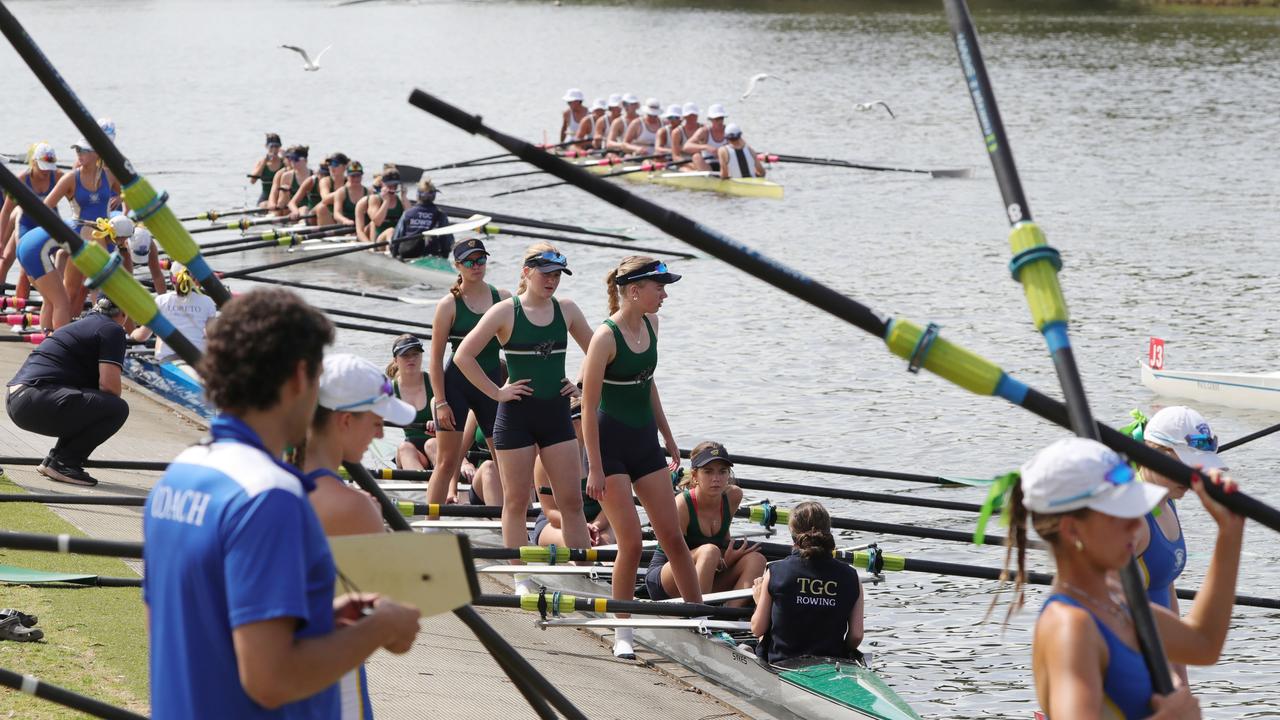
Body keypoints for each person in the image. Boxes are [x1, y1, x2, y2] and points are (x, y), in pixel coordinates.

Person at [142, 289, 421, 718]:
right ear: (297, 379)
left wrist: (323, 616)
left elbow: (188, 626)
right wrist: (380, 626)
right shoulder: (269, 497)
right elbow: (270, 681)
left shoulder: (182, 473)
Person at [998, 436, 1243, 719]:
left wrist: (1229, 532)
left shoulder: (1116, 605)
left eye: (1135, 510)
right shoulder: (1071, 626)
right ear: (1072, 530)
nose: (1136, 525)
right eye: (1119, 514)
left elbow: (1204, 645)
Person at [452, 242, 595, 589]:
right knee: (516, 501)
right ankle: (520, 575)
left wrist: (579, 385)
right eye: (546, 273)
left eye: (558, 274)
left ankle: (580, 576)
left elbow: (599, 352)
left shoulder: (568, 309)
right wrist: (497, 392)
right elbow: (462, 356)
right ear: (526, 272)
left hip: (556, 416)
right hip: (515, 417)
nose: (552, 281)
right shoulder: (505, 311)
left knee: (572, 501)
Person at [580, 255, 699, 658]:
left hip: (645, 442)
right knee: (630, 543)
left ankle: (698, 620)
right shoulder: (605, 338)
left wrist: (668, 436)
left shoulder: (652, 324)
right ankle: (623, 632)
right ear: (634, 290)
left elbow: (648, 385)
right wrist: (594, 468)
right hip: (609, 448)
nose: (664, 295)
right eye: (659, 287)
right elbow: (587, 408)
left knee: (672, 538)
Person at [302, 351, 417, 719]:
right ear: (346, 420)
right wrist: (377, 521)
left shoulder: (268, 477)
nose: (381, 432)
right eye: (376, 421)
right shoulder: (352, 507)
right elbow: (398, 635)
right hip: (330, 688)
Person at [5, 296, 129, 486]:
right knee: (116, 408)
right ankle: (65, 462)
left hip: (18, 398)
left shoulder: (80, 324)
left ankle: (55, 460)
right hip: (34, 398)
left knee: (89, 400)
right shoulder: (112, 329)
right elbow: (110, 387)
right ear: (123, 313)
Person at [426, 238, 510, 504]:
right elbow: (435, 359)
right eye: (470, 262)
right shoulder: (448, 305)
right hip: (455, 388)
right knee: (446, 461)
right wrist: (440, 402)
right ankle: (430, 524)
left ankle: (514, 522)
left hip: (492, 387)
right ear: (457, 266)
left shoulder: (504, 299)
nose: (477, 266)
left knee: (506, 463)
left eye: (481, 260)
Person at [646, 442, 764, 606]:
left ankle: (727, 617)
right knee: (709, 551)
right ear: (694, 476)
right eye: (708, 472)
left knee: (757, 560)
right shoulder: (682, 505)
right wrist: (722, 562)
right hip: (666, 579)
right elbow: (677, 556)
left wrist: (725, 561)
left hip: (707, 571)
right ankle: (698, 615)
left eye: (722, 472)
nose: (716, 478)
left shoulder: (733, 496)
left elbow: (723, 542)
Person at [751, 501, 863, 665]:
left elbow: (757, 629)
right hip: (832, 664)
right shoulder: (851, 576)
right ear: (827, 531)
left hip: (783, 664)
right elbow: (856, 636)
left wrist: (759, 601)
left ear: (792, 533)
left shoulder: (776, 571)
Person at [43, 139, 121, 306]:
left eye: (84, 150)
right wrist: (58, 231)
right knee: (72, 291)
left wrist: (122, 207)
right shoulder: (70, 178)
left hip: (105, 234)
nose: (79, 154)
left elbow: (124, 194)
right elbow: (44, 208)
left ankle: (99, 319)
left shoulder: (109, 175)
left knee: (103, 287)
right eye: (77, 150)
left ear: (97, 154)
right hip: (79, 236)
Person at [531, 397, 612, 548]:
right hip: (556, 524)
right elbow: (550, 512)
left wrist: (594, 526)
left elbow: (611, 507)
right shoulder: (544, 461)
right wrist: (581, 527)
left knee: (605, 544)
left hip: (599, 521)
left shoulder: (606, 454)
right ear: (575, 424)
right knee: (579, 546)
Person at [0, 143, 63, 290]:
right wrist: (1, 240)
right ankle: (19, 308)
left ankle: (55, 299)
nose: (46, 171)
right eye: (43, 166)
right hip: (27, 225)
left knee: (60, 260)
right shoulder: (21, 179)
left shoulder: (58, 176)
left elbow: (75, 198)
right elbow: (6, 211)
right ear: (33, 162)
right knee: (25, 269)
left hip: (51, 225)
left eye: (49, 167)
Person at [130, 263, 217, 362]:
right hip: (197, 360)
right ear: (194, 280)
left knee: (160, 333)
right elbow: (213, 337)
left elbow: (142, 336)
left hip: (168, 360)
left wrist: (132, 334)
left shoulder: (161, 300)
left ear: (171, 278)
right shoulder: (207, 301)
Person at [385, 334, 437, 472]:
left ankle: (443, 486)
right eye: (405, 355)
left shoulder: (435, 383)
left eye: (415, 354)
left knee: (433, 443)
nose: (411, 359)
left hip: (437, 445)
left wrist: (438, 423)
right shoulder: (389, 390)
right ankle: (422, 490)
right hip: (412, 452)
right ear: (396, 360)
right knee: (404, 448)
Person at [14, 219, 73, 332]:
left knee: (49, 300)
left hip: (25, 244)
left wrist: (58, 280)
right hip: (34, 251)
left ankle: (46, 340)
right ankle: (61, 346)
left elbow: (62, 254)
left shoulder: (83, 224)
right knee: (62, 303)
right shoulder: (93, 236)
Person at [391, 178, 451, 260]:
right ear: (434, 196)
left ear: (417, 196)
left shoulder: (407, 213)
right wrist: (444, 257)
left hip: (407, 255)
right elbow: (447, 241)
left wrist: (394, 256)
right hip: (431, 257)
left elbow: (396, 239)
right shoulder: (440, 215)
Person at [268, 145, 312, 217]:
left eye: (296, 159)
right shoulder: (286, 176)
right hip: (290, 211)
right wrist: (284, 194)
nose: (292, 162)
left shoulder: (314, 176)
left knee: (304, 209)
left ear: (305, 160)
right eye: (291, 159)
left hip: (309, 212)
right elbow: (281, 204)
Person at [682, 103, 729, 172]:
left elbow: (743, 146)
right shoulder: (704, 131)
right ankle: (710, 178)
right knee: (696, 157)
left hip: (726, 164)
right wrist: (706, 147)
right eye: (716, 119)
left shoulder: (729, 130)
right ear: (710, 119)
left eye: (721, 118)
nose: (720, 122)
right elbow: (686, 147)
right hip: (708, 165)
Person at [368, 169, 406, 247]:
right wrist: (386, 201)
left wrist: (404, 197)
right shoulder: (375, 199)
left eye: (395, 185)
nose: (393, 188)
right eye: (389, 185)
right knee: (390, 231)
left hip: (397, 239)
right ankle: (391, 253)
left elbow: (411, 221)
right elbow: (377, 222)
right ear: (382, 184)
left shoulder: (401, 200)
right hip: (379, 241)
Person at [248, 133, 284, 208]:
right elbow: (252, 181)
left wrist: (286, 157)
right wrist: (264, 162)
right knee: (266, 205)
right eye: (271, 147)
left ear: (280, 147)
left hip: (281, 198)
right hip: (265, 199)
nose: (274, 150)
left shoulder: (285, 162)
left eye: (276, 146)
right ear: (266, 147)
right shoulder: (262, 162)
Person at [333, 161, 368, 227]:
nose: (356, 179)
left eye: (358, 176)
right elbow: (336, 214)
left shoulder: (368, 192)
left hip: (363, 226)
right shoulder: (341, 192)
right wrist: (345, 220)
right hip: (347, 227)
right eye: (353, 176)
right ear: (347, 176)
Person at [670, 103, 702, 167]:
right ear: (684, 117)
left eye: (694, 115)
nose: (692, 118)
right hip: (684, 163)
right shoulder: (677, 132)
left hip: (701, 161)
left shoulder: (704, 129)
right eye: (689, 116)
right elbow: (675, 156)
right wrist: (691, 165)